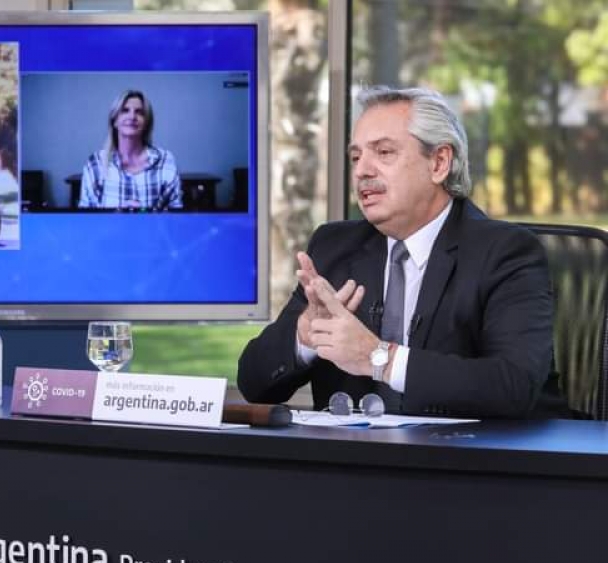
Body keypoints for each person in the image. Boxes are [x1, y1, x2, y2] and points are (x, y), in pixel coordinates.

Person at [238, 86, 567, 419]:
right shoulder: (334, 247)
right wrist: (304, 335)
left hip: (474, 450)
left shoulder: (506, 253)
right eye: (356, 157)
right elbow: (253, 384)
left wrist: (379, 358)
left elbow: (512, 385)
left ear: (439, 162)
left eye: (384, 152)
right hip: (354, 450)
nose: (362, 171)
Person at [79, 90, 183, 210]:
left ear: (147, 122)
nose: (132, 116)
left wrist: (145, 215)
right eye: (125, 110)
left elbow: (176, 215)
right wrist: (116, 215)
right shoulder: (96, 163)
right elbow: (85, 217)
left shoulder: (166, 161)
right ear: (114, 121)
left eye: (139, 112)